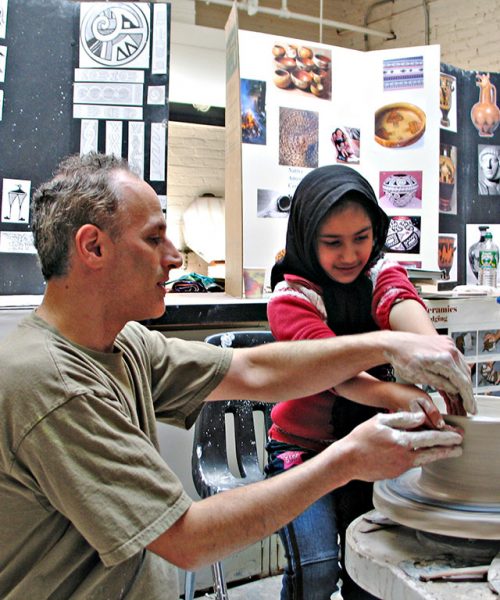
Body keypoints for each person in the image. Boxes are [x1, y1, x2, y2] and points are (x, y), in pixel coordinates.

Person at [0, 153, 474, 600]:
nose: (175, 257)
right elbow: (188, 539)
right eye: (153, 239)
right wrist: (347, 460)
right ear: (93, 247)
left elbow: (255, 369)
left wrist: (391, 344)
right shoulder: (55, 386)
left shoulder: (123, 343)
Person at [266, 164, 472, 600]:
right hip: (305, 449)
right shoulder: (290, 299)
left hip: (375, 443)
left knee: (373, 570)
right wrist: (395, 392)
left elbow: (400, 303)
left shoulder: (381, 273)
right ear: (306, 237)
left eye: (361, 238)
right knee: (317, 570)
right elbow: (334, 374)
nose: (349, 255)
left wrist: (435, 352)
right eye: (333, 242)